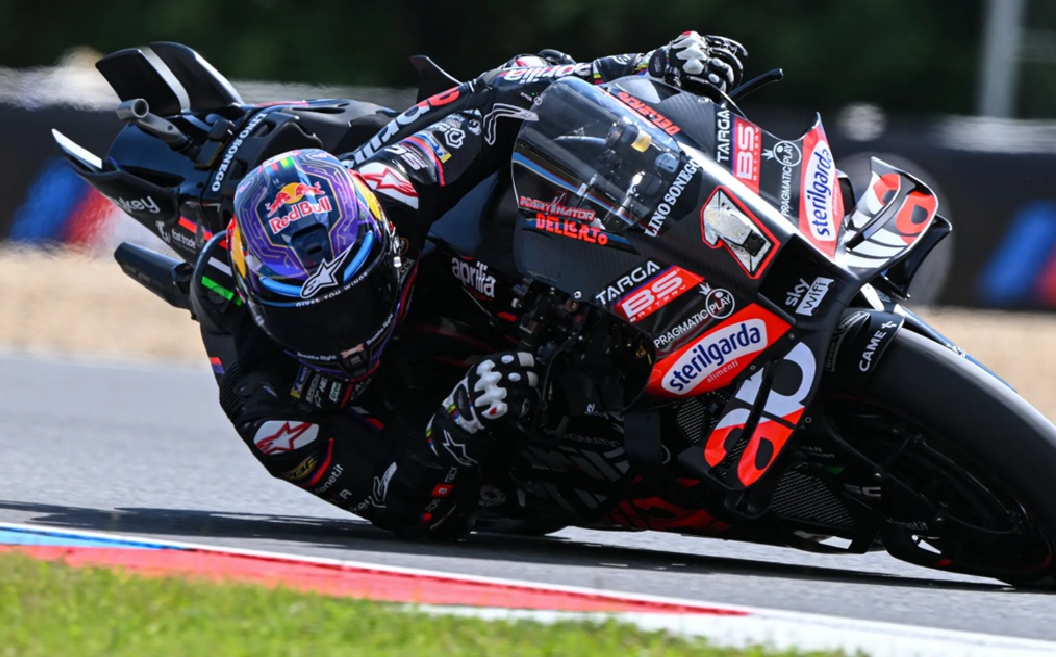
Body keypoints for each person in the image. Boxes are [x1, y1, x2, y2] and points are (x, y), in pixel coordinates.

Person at [193, 32, 749, 537]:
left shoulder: (393, 185)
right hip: (423, 423)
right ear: (260, 306)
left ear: (384, 247)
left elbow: (502, 91)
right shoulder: (268, 409)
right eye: (313, 321)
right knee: (504, 489)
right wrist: (454, 429)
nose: (346, 340)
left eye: (357, 300)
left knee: (544, 82)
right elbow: (396, 506)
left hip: (441, 269)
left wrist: (646, 63)